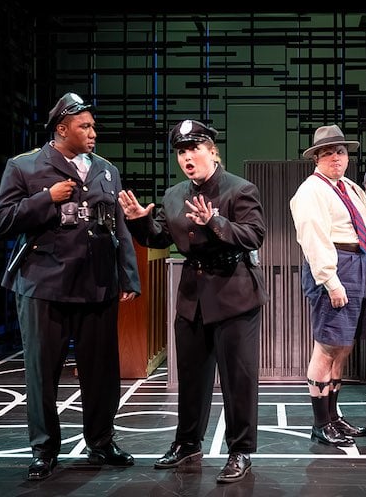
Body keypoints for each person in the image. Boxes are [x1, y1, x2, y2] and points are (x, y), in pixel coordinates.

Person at [0, 92, 141, 481]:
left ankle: (101, 441)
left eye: (93, 126)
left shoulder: (106, 169)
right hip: (44, 284)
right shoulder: (24, 166)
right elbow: (2, 221)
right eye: (84, 127)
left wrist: (128, 275)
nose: (93, 133)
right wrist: (46, 198)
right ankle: (44, 449)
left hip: (96, 283)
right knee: (43, 372)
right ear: (62, 129)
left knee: (102, 372)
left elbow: (117, 226)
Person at [118, 119, 268, 484]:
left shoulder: (240, 189)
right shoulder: (173, 195)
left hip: (234, 295)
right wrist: (139, 222)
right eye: (182, 151)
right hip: (192, 298)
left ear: (212, 152)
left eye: (194, 149)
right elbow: (159, 237)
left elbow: (254, 235)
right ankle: (187, 443)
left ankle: (240, 450)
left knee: (238, 379)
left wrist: (215, 221)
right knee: (190, 378)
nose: (187, 157)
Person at [289, 124, 366, 448]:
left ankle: (333, 416)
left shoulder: (348, 187)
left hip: (359, 263)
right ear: (316, 158)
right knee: (326, 346)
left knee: (343, 346)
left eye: (341, 151)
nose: (336, 157)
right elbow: (314, 240)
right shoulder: (311, 191)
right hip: (336, 265)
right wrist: (331, 282)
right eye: (328, 152)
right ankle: (321, 423)